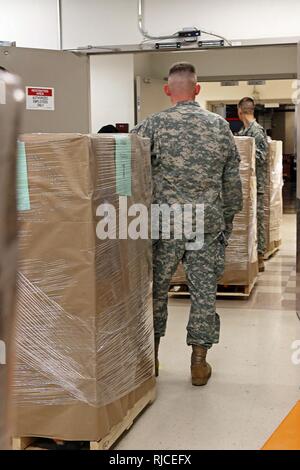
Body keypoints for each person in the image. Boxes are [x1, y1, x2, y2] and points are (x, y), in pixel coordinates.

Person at [131, 62, 243, 386]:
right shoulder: (220, 127)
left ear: (168, 91)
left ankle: (150, 357)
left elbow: (130, 175)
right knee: (204, 292)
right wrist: (226, 222)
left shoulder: (150, 126)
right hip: (205, 225)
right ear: (197, 89)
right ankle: (198, 363)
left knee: (156, 291)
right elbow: (232, 186)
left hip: (164, 224)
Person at [237, 97, 268, 272]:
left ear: (240, 111)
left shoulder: (256, 131)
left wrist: (241, 155)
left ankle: (260, 256)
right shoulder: (244, 131)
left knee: (258, 220)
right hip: (246, 185)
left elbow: (261, 157)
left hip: (257, 186)